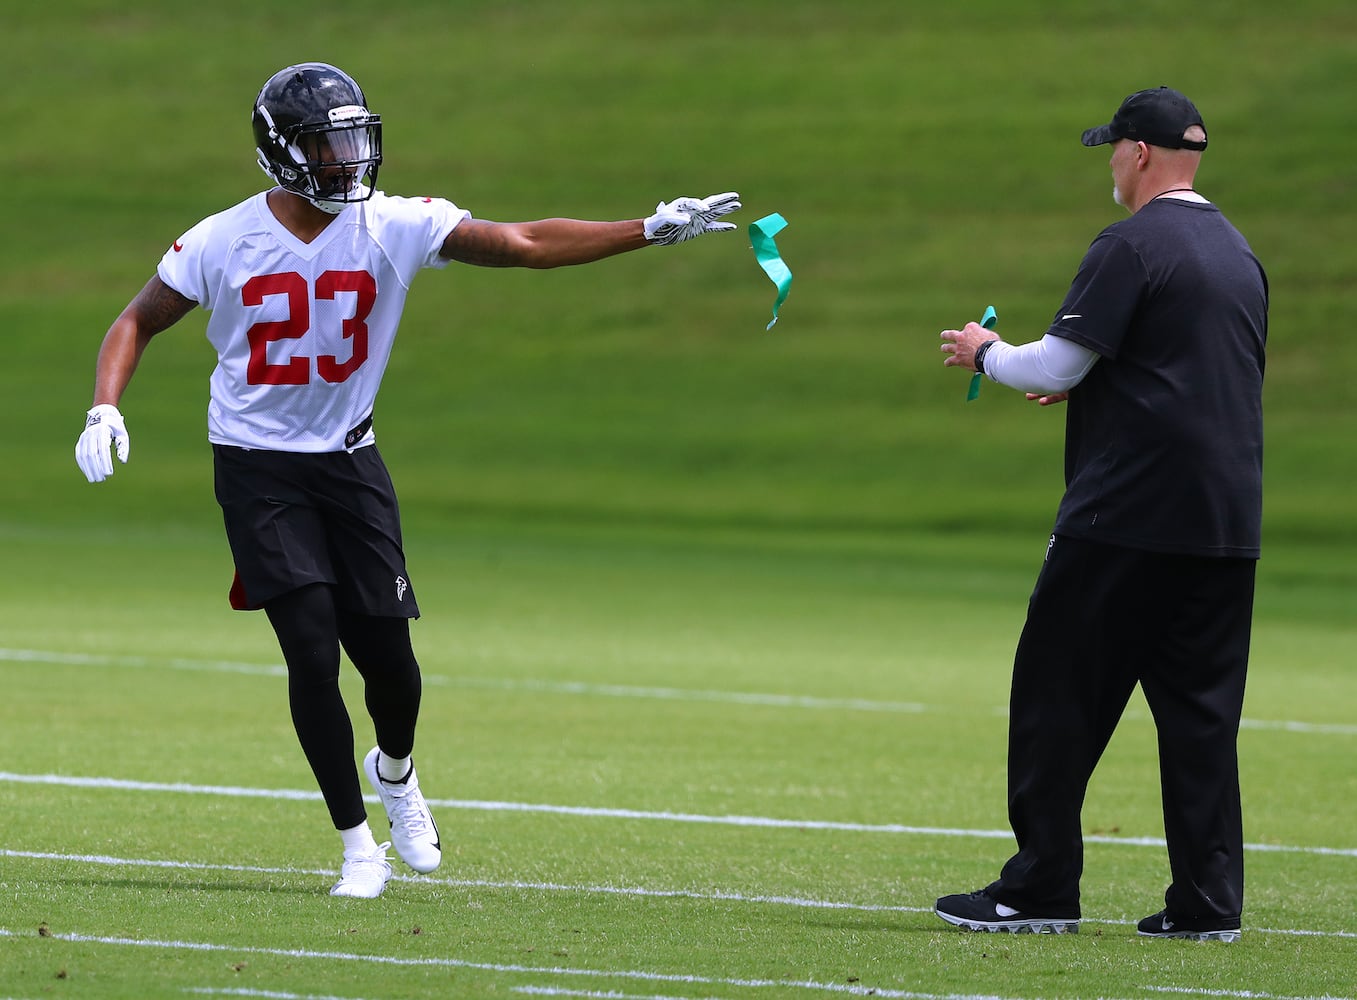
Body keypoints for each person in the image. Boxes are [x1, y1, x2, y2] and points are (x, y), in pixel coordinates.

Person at [74, 62, 741, 900]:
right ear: (280, 152)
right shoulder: (220, 238)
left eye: (352, 138)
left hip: (350, 461)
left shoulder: (393, 223)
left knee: (389, 658)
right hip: (256, 466)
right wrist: (106, 408)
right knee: (311, 649)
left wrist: (649, 227)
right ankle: (357, 844)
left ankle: (395, 773)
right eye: (324, 143)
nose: (346, 159)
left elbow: (524, 245)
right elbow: (137, 318)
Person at [934, 86, 1267, 941]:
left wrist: (986, 352)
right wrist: (1097, 381)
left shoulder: (1130, 243)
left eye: (1112, 150)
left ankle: (1039, 888)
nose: (1110, 166)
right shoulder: (1236, 252)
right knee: (1200, 721)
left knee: (1055, 697)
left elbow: (1047, 365)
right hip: (1224, 525)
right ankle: (1206, 906)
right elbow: (1186, 373)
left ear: (1140, 154)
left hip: (1124, 519)